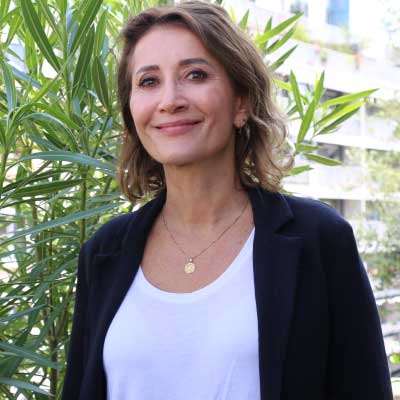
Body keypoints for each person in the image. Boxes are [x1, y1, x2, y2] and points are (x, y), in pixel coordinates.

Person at [61, 1, 393, 399]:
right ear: (132, 112)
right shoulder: (104, 253)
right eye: (148, 81)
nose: (170, 99)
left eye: (195, 74)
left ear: (242, 103)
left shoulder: (318, 240)